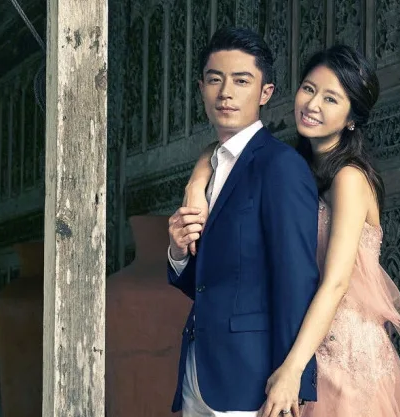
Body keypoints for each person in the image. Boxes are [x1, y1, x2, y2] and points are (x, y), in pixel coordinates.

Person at [184, 44, 400, 417]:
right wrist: (197, 183)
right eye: (308, 89)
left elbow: (336, 283)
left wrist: (292, 368)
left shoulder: (349, 178)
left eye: (330, 99)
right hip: (303, 342)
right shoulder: (294, 166)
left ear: (351, 118)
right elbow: (224, 148)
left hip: (341, 355)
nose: (312, 104)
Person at [167, 27, 320, 417]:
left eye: (241, 80)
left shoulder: (280, 166)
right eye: (215, 80)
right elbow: (211, 284)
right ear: (201, 88)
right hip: (199, 372)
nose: (225, 93)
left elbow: (297, 279)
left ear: (265, 92)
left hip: (253, 381)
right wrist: (178, 252)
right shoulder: (211, 166)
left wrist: (294, 377)